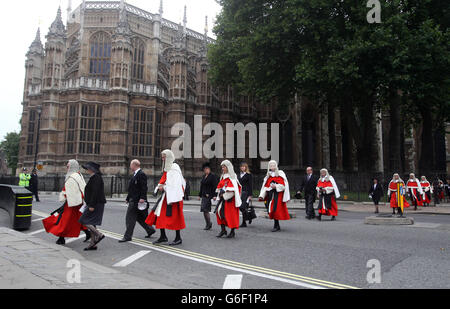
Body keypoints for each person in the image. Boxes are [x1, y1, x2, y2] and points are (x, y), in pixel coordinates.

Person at [43, 160, 89, 245]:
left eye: (68, 166)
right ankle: (88, 232)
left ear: (72, 167)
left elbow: (69, 190)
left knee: (64, 220)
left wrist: (64, 195)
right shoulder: (79, 175)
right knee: (78, 219)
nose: (67, 168)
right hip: (78, 201)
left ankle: (61, 238)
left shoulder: (72, 177)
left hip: (72, 203)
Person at [146, 150, 186, 246]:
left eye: (164, 157)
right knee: (159, 216)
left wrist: (163, 187)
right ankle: (163, 236)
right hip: (167, 196)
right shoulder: (167, 168)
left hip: (173, 198)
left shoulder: (174, 168)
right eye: (162, 157)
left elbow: (175, 185)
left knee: (176, 218)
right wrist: (157, 188)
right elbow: (164, 181)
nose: (162, 159)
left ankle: (178, 238)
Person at [119, 160, 156, 243]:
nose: (130, 166)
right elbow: (132, 189)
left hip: (138, 201)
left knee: (129, 219)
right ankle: (150, 230)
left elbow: (144, 187)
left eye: (130, 165)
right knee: (140, 218)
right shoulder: (135, 174)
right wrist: (128, 198)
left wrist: (142, 197)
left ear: (134, 165)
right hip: (134, 200)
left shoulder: (141, 174)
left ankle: (127, 236)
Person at [80, 162, 106, 251]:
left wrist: (91, 205)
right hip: (94, 203)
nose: (87, 170)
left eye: (88, 168)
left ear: (92, 169)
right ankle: (92, 244)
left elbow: (95, 192)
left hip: (95, 204)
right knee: (92, 223)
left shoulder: (96, 178)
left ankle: (99, 235)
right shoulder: (94, 177)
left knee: (84, 220)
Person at [258, 160, 291, 232]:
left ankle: (276, 225)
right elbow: (265, 186)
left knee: (275, 209)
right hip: (270, 195)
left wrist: (276, 186)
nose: (272, 167)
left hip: (277, 195)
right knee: (270, 209)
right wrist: (264, 193)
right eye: (270, 165)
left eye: (273, 165)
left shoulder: (280, 174)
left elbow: (283, 186)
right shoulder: (268, 176)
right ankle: (276, 224)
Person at [214, 160, 242, 239]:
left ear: (228, 167)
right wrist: (219, 194)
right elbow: (220, 187)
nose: (222, 168)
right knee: (219, 213)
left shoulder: (232, 177)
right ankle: (223, 230)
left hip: (230, 201)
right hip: (223, 200)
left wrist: (225, 195)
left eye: (224, 167)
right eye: (222, 167)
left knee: (231, 216)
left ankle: (232, 232)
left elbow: (234, 190)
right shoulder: (223, 176)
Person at [198, 163, 218, 231]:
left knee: (206, 210)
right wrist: (199, 195)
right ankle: (208, 223)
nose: (206, 170)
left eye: (207, 169)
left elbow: (215, 186)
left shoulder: (212, 176)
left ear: (209, 169)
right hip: (203, 195)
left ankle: (209, 224)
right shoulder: (204, 176)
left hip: (209, 195)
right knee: (204, 210)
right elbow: (202, 186)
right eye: (205, 169)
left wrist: (215, 195)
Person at [237, 162, 254, 227]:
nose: (242, 168)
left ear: (246, 167)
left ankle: (245, 221)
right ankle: (247, 219)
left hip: (246, 193)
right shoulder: (239, 175)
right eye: (241, 166)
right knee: (240, 207)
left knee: (243, 207)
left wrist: (250, 195)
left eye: (243, 166)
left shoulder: (249, 175)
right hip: (240, 193)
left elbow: (250, 185)